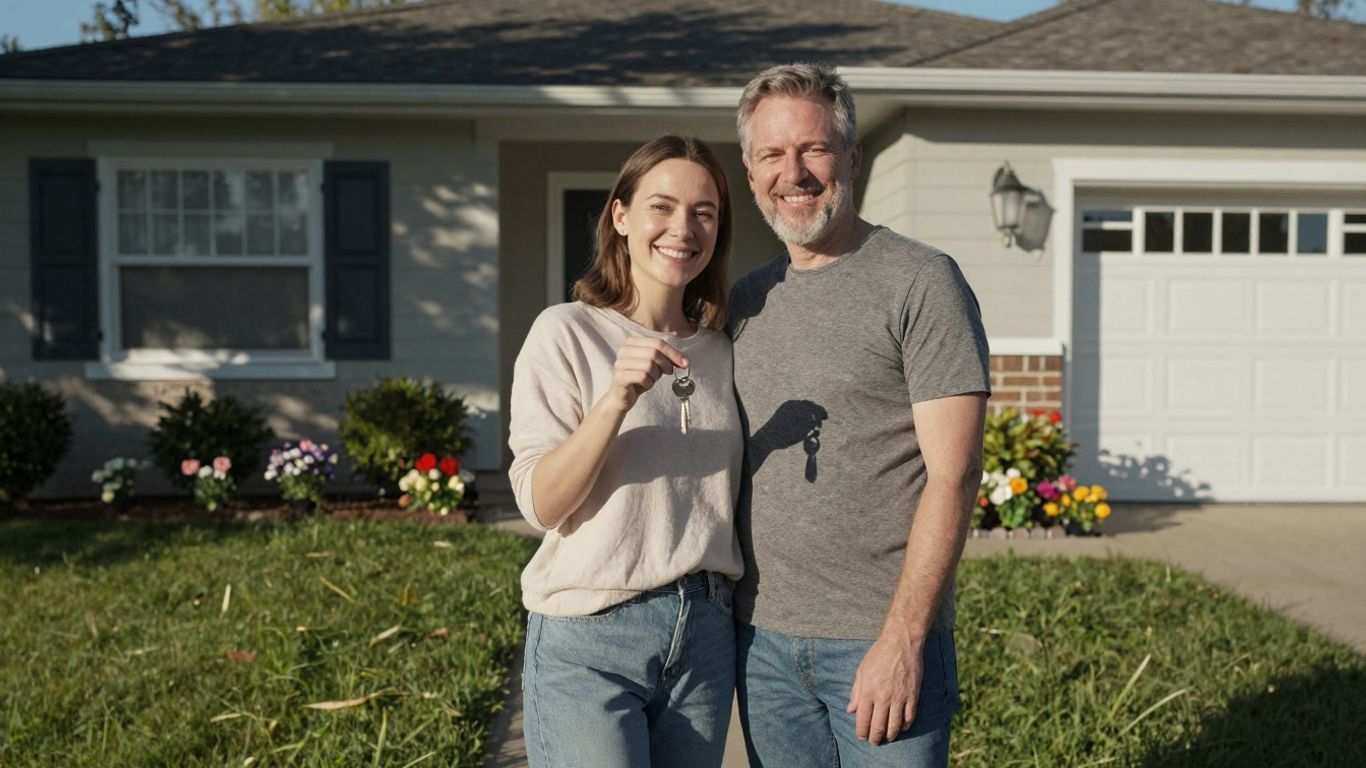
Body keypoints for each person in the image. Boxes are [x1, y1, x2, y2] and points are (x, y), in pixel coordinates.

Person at [727, 63, 991, 767]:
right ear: (751, 173)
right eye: (772, 155)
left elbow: (956, 474)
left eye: (813, 149)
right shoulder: (743, 303)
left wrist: (903, 642)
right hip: (760, 644)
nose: (795, 172)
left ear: (851, 157)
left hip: (877, 642)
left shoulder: (920, 280)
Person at [507, 135, 744, 768]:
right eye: (661, 207)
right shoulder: (566, 331)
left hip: (705, 637)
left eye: (704, 212)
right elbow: (542, 504)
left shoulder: (727, 350)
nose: (682, 229)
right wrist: (615, 397)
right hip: (592, 634)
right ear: (620, 215)